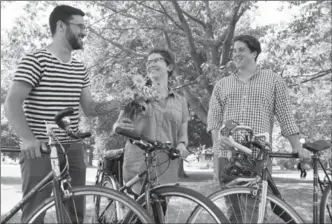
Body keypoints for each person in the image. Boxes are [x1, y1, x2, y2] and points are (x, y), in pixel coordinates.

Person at [4, 5, 121, 223]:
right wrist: (28, 139)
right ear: (61, 26)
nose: (84, 32)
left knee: (75, 215)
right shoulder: (35, 60)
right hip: (41, 149)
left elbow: (90, 108)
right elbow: (11, 103)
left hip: (73, 148)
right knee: (34, 214)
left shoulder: (79, 68)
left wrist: (119, 101)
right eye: (79, 26)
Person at [207, 34, 311, 222]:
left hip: (258, 155)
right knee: (234, 210)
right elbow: (213, 120)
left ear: (254, 53)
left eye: (241, 50)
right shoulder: (222, 85)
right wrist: (217, 145)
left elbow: (286, 116)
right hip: (228, 155)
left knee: (254, 209)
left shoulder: (273, 80)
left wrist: (296, 146)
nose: (236, 54)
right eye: (234, 50)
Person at [113, 48, 190, 195]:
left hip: (166, 167)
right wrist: (118, 126)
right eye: (148, 62)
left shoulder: (181, 101)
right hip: (137, 166)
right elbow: (117, 124)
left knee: (159, 215)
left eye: (156, 60)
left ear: (169, 67)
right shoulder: (136, 95)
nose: (151, 64)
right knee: (137, 215)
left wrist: (181, 145)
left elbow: (183, 135)